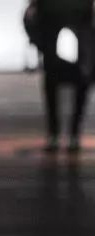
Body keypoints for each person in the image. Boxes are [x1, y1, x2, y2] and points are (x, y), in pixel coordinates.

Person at [28, 0, 95, 151]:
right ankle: (71, 135)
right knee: (78, 87)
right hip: (77, 43)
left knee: (54, 86)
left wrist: (38, 41)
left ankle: (57, 135)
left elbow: (31, 17)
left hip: (57, 41)